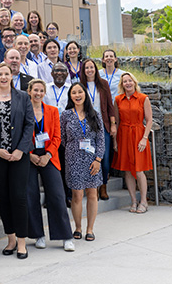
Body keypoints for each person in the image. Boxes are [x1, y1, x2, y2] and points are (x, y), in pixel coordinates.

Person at [0, 63, 34, 259]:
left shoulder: (23, 97)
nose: (3, 77)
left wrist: (20, 149)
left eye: (6, 73)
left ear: (12, 76)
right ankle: (10, 238)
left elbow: (29, 124)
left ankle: (22, 241)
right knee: (4, 197)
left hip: (20, 155)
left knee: (19, 197)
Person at [25, 79, 75, 251]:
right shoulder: (24, 110)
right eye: (35, 90)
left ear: (44, 93)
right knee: (31, 196)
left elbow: (57, 137)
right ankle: (38, 235)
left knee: (56, 195)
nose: (38, 93)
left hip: (49, 156)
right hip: (29, 157)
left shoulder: (53, 111)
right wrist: (30, 155)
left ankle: (65, 236)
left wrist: (48, 155)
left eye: (41, 91)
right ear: (29, 91)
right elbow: (20, 136)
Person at [60, 82, 105, 242]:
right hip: (73, 159)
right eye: (74, 93)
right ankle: (78, 227)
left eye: (80, 92)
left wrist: (98, 159)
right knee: (77, 195)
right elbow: (62, 139)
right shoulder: (65, 115)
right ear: (70, 96)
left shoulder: (95, 114)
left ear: (85, 94)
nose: (77, 95)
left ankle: (90, 229)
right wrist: (73, 151)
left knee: (92, 194)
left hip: (93, 160)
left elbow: (100, 139)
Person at [113, 72, 154, 214]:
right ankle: (133, 201)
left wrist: (144, 138)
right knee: (127, 171)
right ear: (122, 84)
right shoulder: (118, 99)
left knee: (139, 170)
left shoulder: (143, 98)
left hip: (138, 135)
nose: (128, 83)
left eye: (130, 81)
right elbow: (117, 122)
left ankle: (144, 201)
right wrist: (115, 141)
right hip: (123, 135)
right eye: (125, 81)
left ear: (134, 82)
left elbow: (149, 120)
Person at [81, 59, 118, 201]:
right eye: (86, 68)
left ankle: (103, 186)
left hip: (103, 125)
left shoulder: (103, 84)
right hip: (87, 126)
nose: (89, 70)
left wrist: (113, 124)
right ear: (83, 71)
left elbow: (109, 105)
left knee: (105, 158)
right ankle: (93, 188)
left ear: (95, 69)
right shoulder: (80, 85)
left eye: (91, 67)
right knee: (90, 157)